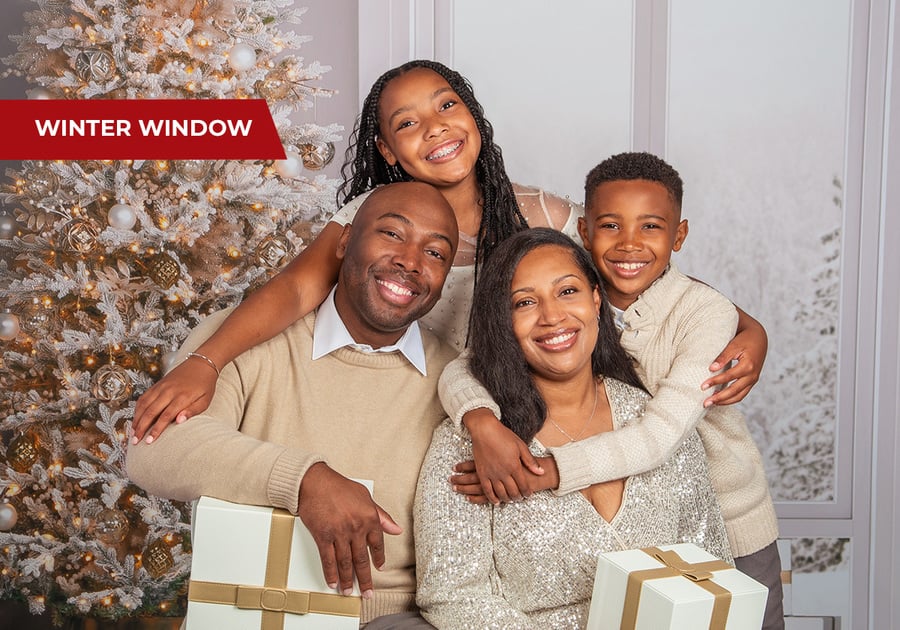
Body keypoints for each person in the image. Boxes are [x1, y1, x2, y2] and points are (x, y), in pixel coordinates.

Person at [131, 60, 768, 444]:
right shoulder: (366, 223)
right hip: (423, 427)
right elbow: (296, 290)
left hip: (533, 428)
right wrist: (207, 364)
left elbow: (635, 266)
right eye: (406, 123)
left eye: (446, 106)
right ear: (386, 151)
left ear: (474, 117)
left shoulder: (540, 215)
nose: (434, 127)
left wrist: (745, 324)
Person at [441, 152, 784, 629]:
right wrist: (479, 421)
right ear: (583, 232)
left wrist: (546, 472)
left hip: (725, 512)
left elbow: (661, 435)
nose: (629, 245)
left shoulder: (704, 313)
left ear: (678, 236)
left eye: (650, 228)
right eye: (610, 226)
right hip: (637, 510)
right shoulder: (573, 295)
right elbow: (468, 366)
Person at [126, 182, 459, 629]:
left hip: (393, 621)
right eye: (392, 234)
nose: (411, 261)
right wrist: (305, 481)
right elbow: (154, 450)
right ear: (344, 242)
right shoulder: (244, 338)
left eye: (436, 253)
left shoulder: (454, 378)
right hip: (248, 610)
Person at [414, 227, 732, 628]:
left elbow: (711, 565)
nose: (552, 317)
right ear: (503, 323)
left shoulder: (655, 420)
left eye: (567, 292)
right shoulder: (468, 442)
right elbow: (453, 596)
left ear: (596, 300)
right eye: (525, 302)